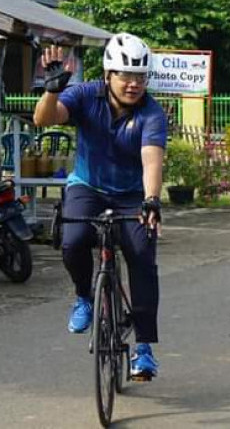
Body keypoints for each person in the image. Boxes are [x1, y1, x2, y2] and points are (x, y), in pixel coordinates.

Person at [33, 33, 166, 380]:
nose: (133, 84)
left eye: (140, 76)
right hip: (87, 186)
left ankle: (144, 348)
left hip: (132, 194)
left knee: (141, 253)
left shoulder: (151, 113)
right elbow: (44, 120)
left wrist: (152, 200)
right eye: (125, 75)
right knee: (73, 239)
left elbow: (152, 161)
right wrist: (51, 90)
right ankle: (84, 298)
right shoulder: (84, 95)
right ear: (108, 74)